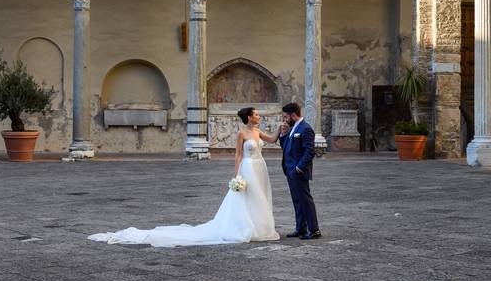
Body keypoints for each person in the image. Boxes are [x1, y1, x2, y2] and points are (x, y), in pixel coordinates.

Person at [88, 107, 280, 247]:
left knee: (259, 197)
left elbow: (271, 140)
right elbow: (238, 154)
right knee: (246, 197)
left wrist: (281, 129)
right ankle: (246, 227)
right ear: (249, 117)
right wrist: (237, 174)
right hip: (247, 167)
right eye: (256, 114)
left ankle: (261, 226)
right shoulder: (242, 133)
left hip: (260, 167)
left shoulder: (257, 132)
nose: (258, 116)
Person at [279, 102, 321, 240]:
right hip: (290, 170)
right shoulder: (292, 128)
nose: (285, 120)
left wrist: (299, 168)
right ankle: (301, 228)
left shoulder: (305, 129)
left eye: (286, 117)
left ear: (293, 115)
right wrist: (284, 134)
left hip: (298, 171)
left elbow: (310, 151)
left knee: (305, 200)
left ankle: (314, 230)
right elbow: (286, 147)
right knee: (297, 200)